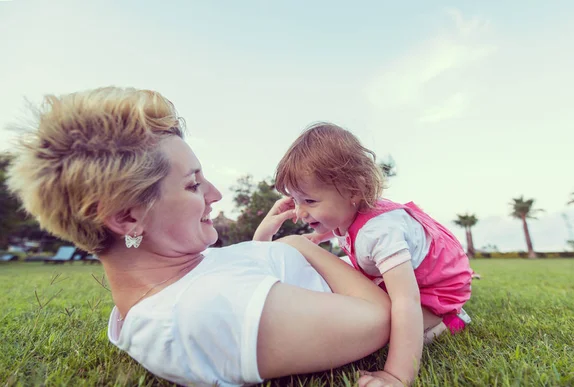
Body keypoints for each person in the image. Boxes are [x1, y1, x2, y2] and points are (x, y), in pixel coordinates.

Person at [6, 88, 393, 387]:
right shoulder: (200, 313)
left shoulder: (182, 275)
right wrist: (294, 246)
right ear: (127, 217)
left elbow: (253, 272)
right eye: (193, 184)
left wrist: (270, 244)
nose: (214, 194)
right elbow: (381, 317)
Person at [271, 122, 475, 386]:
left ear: (354, 190)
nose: (299, 212)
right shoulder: (350, 212)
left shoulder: (380, 232)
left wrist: (397, 375)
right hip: (425, 277)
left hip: (437, 291)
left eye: (309, 201)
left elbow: (406, 301)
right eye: (296, 201)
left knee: (381, 324)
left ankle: (450, 319)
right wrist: (321, 235)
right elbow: (346, 228)